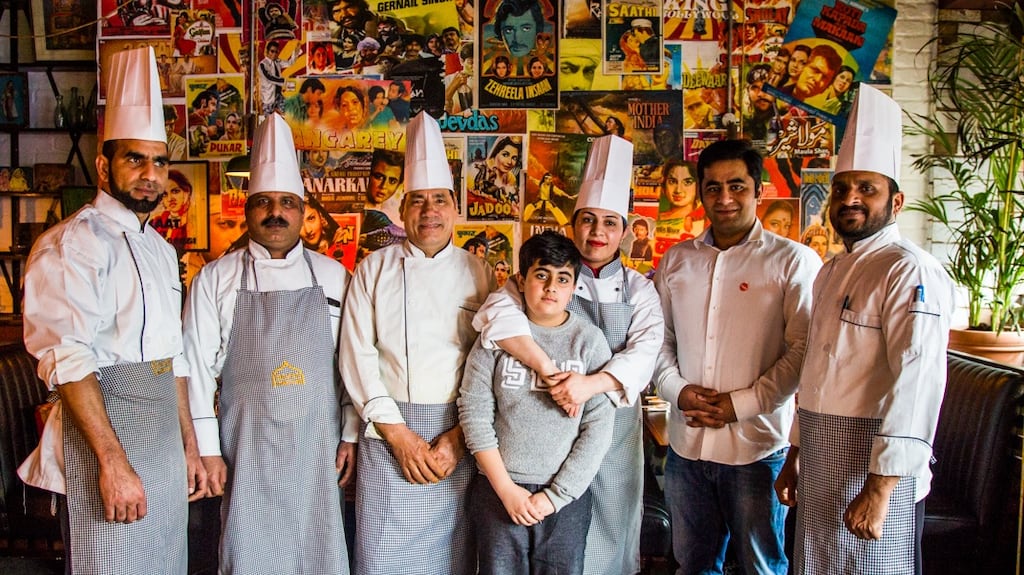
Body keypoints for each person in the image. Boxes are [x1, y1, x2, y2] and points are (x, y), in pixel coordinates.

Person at [17, 46, 206, 574]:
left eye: (159, 161)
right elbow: (68, 359)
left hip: (161, 442)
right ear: (104, 166)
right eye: (134, 159)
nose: (150, 174)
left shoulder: (160, 249)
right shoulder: (72, 244)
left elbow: (173, 359)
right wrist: (113, 464)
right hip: (106, 440)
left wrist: (189, 446)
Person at [775, 85, 956, 575]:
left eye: (866, 189)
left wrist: (880, 488)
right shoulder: (831, 270)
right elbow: (818, 371)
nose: (850, 198)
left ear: (896, 202)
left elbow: (917, 381)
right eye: (841, 189)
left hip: (874, 466)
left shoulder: (909, 269)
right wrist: (795, 453)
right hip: (821, 457)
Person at [473, 135, 664, 575]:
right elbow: (495, 317)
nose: (597, 232)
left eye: (610, 223)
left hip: (611, 433)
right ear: (573, 223)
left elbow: (646, 352)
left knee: (608, 538)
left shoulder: (640, 290)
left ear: (625, 229)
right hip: (540, 441)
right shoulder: (543, 274)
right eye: (588, 220)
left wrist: (588, 385)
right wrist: (548, 370)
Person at [184, 113, 354, 574]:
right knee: (247, 550)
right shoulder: (215, 278)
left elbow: (352, 365)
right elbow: (194, 369)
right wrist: (208, 450)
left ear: (302, 211)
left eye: (286, 203)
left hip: (318, 449)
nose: (275, 212)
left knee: (318, 552)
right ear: (247, 209)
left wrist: (351, 434)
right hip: (244, 450)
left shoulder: (335, 276)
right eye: (263, 202)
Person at [653, 139, 821, 575]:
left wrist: (740, 404)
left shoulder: (794, 261)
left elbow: (803, 349)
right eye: (713, 187)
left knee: (760, 567)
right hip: (687, 448)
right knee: (693, 565)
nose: (724, 198)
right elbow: (658, 338)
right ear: (701, 192)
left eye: (737, 186)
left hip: (757, 449)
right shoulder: (677, 260)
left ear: (758, 191)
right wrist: (677, 390)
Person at [340, 112, 493, 575]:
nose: (430, 212)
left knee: (454, 560)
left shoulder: (479, 272)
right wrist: (400, 436)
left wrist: (459, 438)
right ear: (402, 208)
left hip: (455, 438)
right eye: (418, 201)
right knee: (380, 558)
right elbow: (356, 355)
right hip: (388, 437)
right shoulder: (373, 269)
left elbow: (490, 363)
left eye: (439, 200)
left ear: (455, 208)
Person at [460, 231, 615, 575]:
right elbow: (474, 414)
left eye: (563, 279)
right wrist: (505, 489)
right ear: (521, 280)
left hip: (566, 498)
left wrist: (556, 496)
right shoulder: (495, 336)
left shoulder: (589, 341)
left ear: (574, 287)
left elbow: (598, 427)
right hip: (498, 490)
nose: (551, 287)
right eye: (541, 275)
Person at [656, 160, 705, 245]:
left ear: (698, 185)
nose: (678, 190)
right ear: (664, 185)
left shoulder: (705, 220)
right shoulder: (653, 219)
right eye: (672, 181)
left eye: (687, 182)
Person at [150, 168, 192, 255]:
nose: (170, 199)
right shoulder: (155, 223)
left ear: (186, 192)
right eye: (165, 194)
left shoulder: (195, 223)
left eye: (175, 191)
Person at [258, 41, 302, 115]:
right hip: (268, 99)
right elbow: (269, 78)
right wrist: (285, 81)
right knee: (269, 119)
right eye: (272, 51)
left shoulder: (277, 61)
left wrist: (296, 52)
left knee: (290, 111)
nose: (274, 54)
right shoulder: (263, 64)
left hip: (278, 96)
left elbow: (289, 63)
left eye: (276, 52)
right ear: (267, 51)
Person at [743, 64, 780, 144]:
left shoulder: (787, 121)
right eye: (755, 88)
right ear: (747, 90)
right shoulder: (743, 124)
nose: (761, 94)